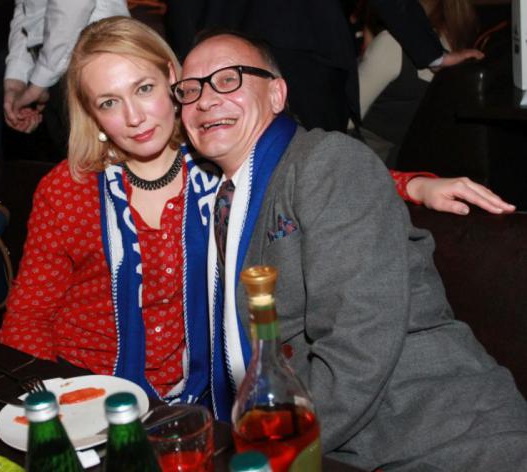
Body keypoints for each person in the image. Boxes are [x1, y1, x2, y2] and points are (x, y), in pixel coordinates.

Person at [175, 31, 527, 470]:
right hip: (341, 445)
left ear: (277, 94)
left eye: (228, 79)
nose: (206, 100)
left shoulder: (326, 162)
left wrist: (271, 453)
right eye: (189, 90)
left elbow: (359, 342)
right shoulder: (212, 198)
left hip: (437, 434)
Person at [0, 16, 217, 403]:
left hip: (205, 392)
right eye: (109, 102)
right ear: (91, 113)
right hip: (88, 387)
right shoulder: (68, 189)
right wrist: (53, 406)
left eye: (144, 88)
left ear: (171, 77)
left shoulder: (219, 168)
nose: (134, 118)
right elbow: (29, 318)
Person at [165, 0, 484, 132]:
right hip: (307, 48)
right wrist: (432, 54)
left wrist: (186, 68)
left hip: (222, 52)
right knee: (314, 174)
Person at [357, 0, 480, 165]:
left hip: (371, 162)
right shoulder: (463, 46)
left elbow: (343, 118)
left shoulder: (393, 43)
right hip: (426, 164)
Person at [3, 0, 129, 136]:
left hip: (94, 54)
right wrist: (16, 80)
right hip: (52, 66)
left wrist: (39, 82)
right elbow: (26, 8)